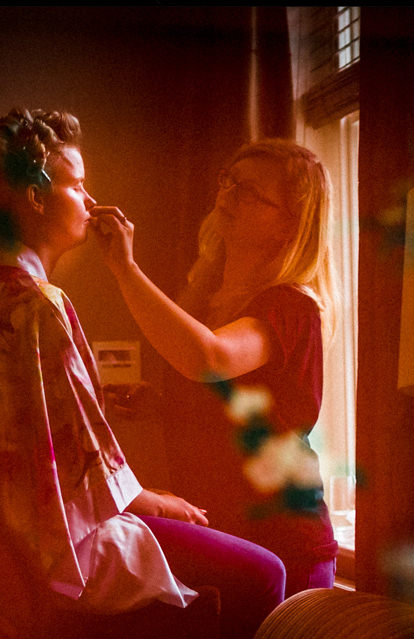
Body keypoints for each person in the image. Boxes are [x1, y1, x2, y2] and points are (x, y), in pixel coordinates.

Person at [0, 108, 285, 639]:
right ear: (37, 198)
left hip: (6, 545)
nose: (90, 198)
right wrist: (150, 499)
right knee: (262, 572)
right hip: (59, 544)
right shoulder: (40, 304)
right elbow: (76, 461)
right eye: (76, 184)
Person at [91, 138, 339, 598]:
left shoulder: (291, 305)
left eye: (249, 192)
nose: (227, 195)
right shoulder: (209, 299)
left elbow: (209, 360)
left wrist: (124, 268)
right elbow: (233, 403)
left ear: (290, 224)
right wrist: (162, 403)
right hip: (220, 529)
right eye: (229, 181)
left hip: (284, 541)